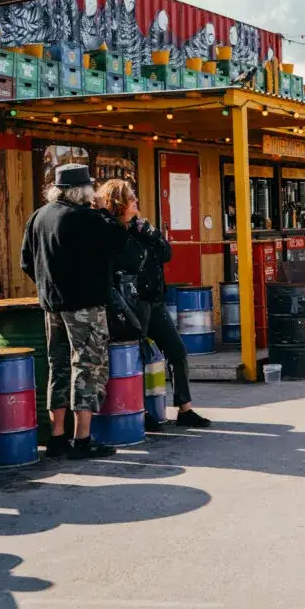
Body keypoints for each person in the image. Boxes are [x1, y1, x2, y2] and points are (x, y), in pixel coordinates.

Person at [20, 164, 126, 460]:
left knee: (59, 365)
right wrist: (104, 211)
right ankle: (82, 439)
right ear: (82, 191)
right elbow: (118, 241)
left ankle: (56, 438)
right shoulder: (87, 217)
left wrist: (50, 287)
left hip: (52, 305)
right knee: (88, 367)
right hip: (85, 306)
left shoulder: (38, 217)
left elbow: (26, 262)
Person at [96, 179, 212, 429]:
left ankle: (185, 408)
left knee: (177, 350)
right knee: (135, 357)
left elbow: (167, 254)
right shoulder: (113, 232)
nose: (136, 202)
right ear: (118, 203)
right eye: (131, 198)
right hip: (131, 303)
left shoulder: (141, 228)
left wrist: (154, 234)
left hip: (155, 301)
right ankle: (141, 410)